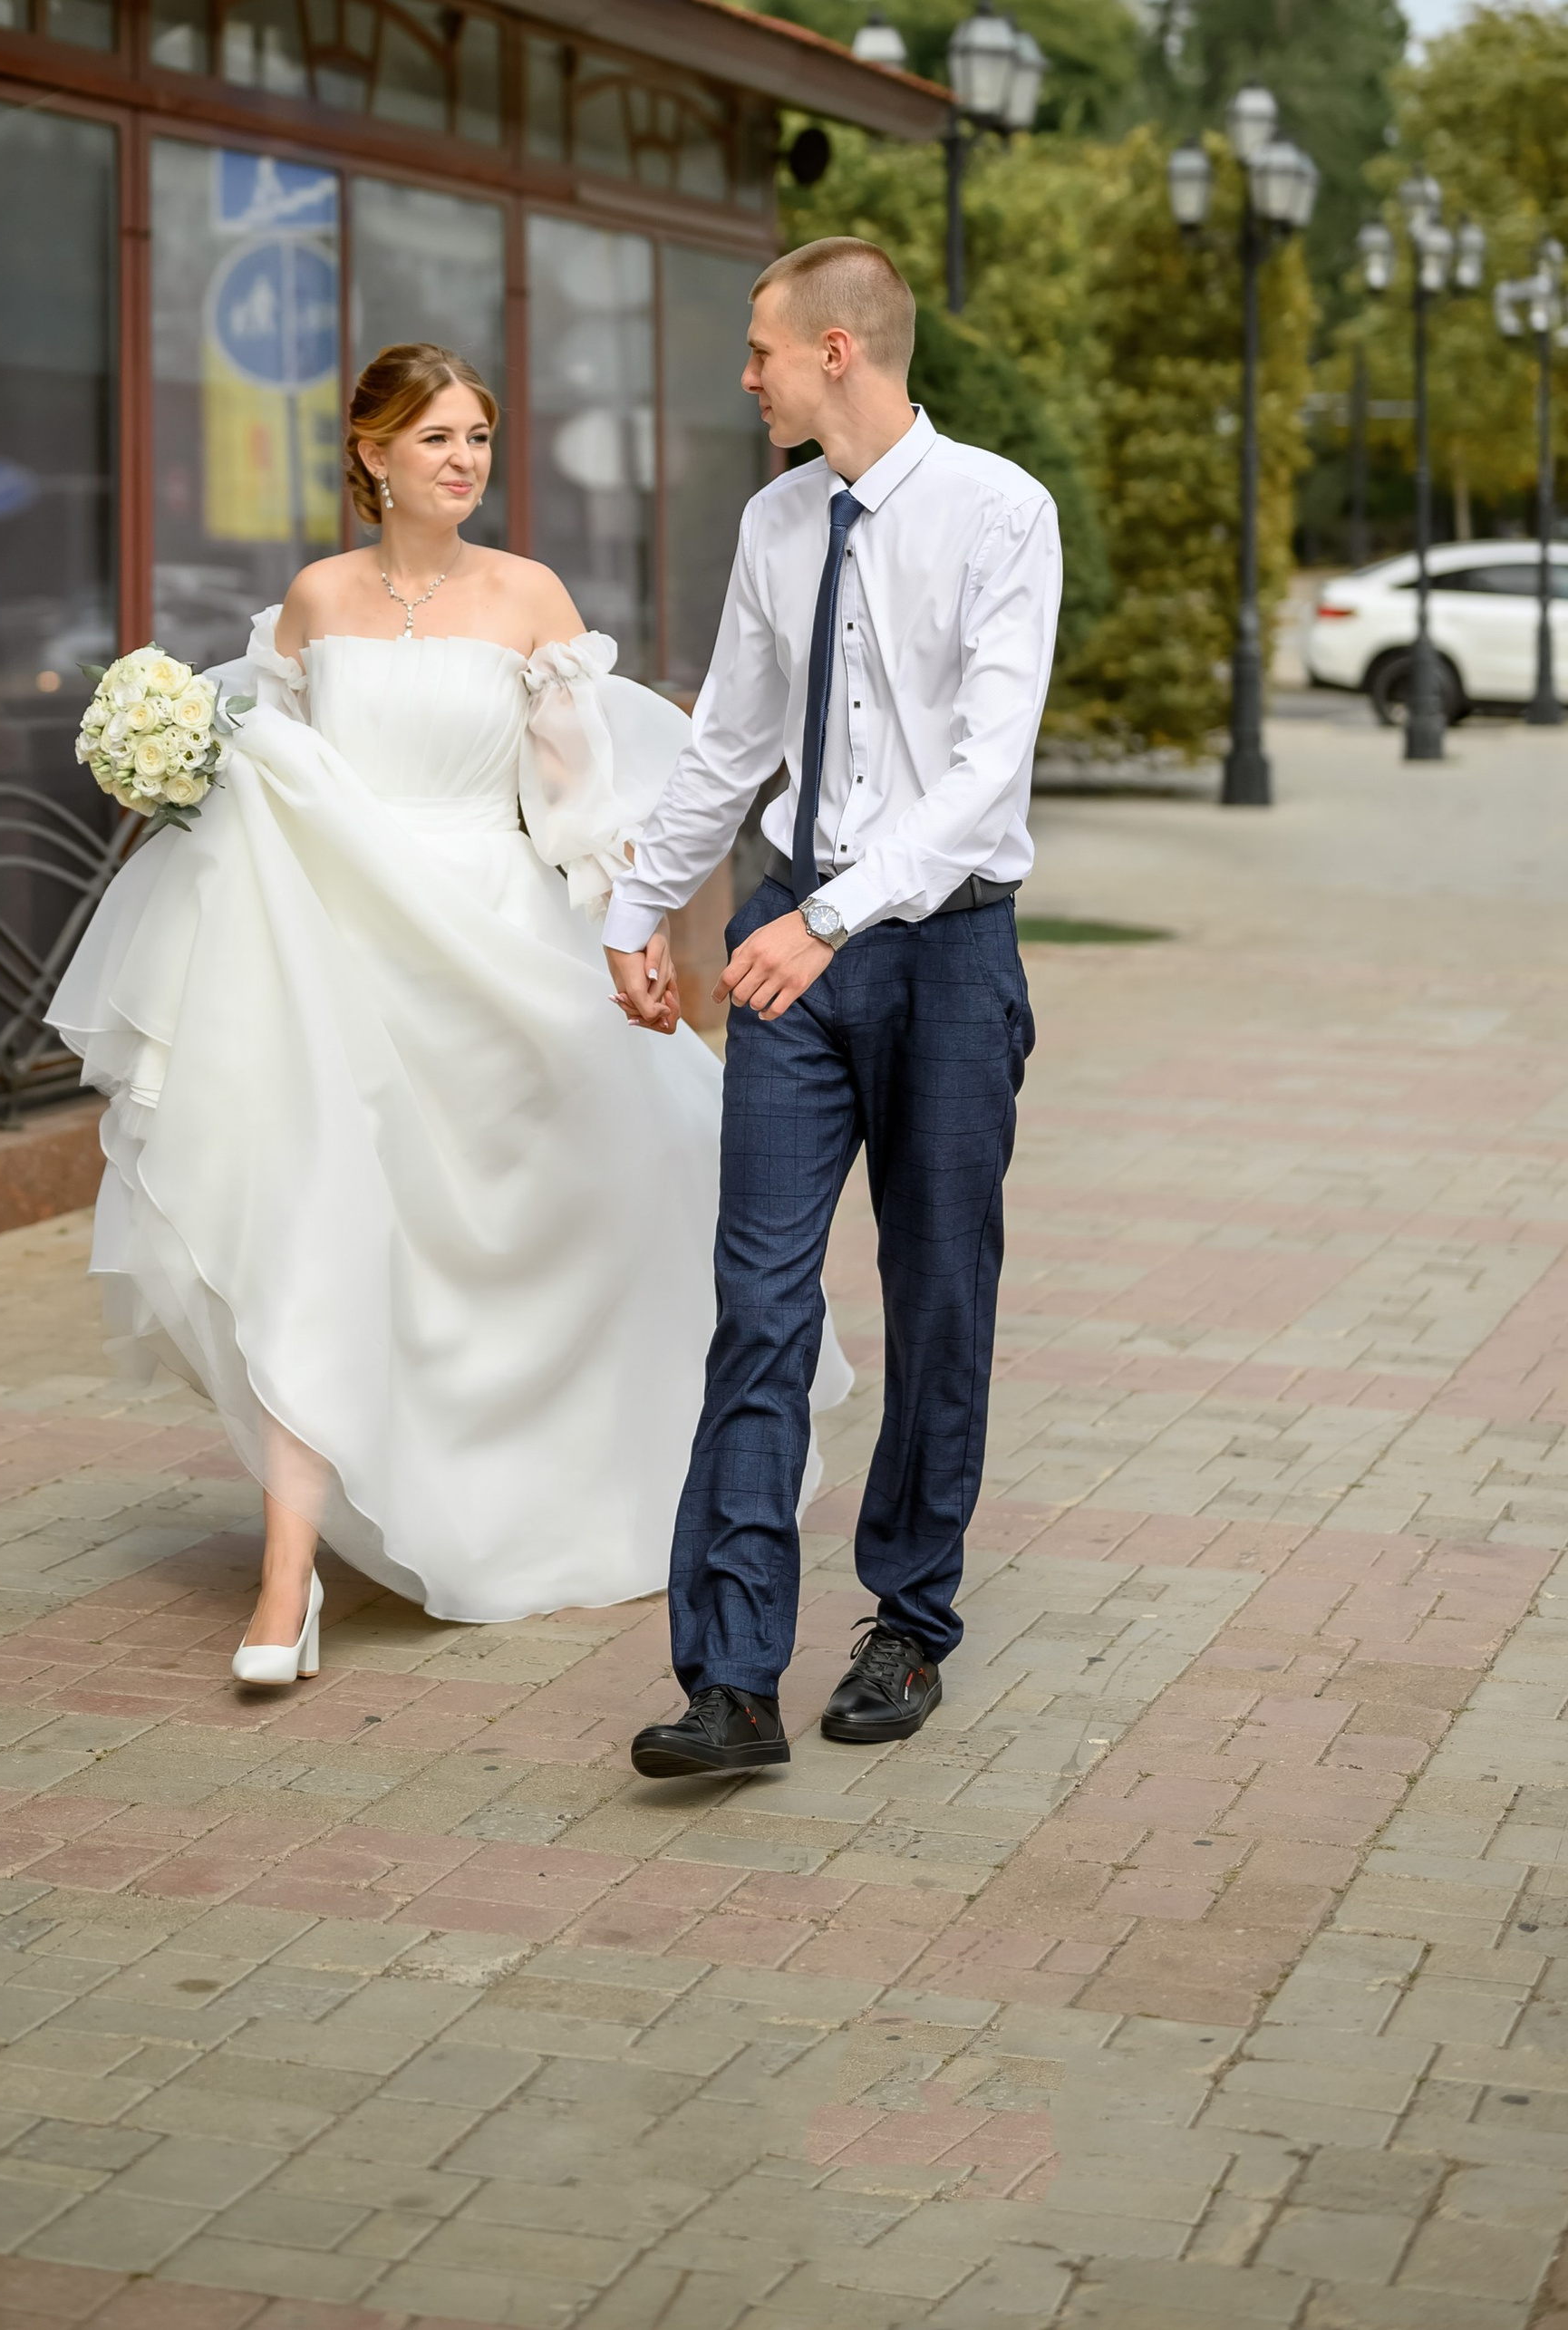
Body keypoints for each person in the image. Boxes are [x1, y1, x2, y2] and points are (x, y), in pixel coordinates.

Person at [52, 341, 850, 1685]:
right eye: (437, 439)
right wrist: (181, 763)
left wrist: (630, 928)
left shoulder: (530, 596)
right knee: (309, 1228)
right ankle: (286, 1580)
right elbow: (266, 777)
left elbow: (579, 799)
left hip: (488, 942)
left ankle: (542, 1477)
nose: (465, 461)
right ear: (371, 455)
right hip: (329, 953)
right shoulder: (310, 603)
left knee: (549, 1213)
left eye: (479, 437)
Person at [605, 239, 1060, 1777]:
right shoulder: (774, 522)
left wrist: (833, 917)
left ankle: (909, 1621)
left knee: (938, 1300)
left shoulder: (1002, 511)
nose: (747, 378)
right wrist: (633, 909)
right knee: (761, 1307)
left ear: (841, 354)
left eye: (761, 352)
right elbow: (729, 740)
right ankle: (732, 1677)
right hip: (789, 946)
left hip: (942, 951)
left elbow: (987, 772)